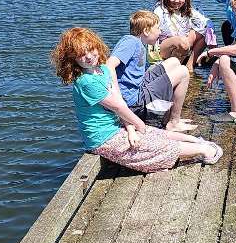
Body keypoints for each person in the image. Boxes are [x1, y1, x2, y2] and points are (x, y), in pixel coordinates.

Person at [50, 27, 223, 172]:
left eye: (90, 49)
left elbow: (119, 102)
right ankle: (203, 150)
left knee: (155, 133)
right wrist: (139, 127)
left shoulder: (103, 69)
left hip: (117, 126)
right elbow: (118, 107)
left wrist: (132, 128)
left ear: (97, 46)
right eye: (81, 54)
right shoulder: (85, 81)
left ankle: (197, 142)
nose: (89, 56)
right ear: (72, 59)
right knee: (150, 146)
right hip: (102, 138)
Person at [107, 9, 197, 132]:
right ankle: (173, 122)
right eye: (158, 28)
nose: (161, 31)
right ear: (146, 31)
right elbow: (109, 65)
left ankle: (168, 117)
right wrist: (118, 98)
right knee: (183, 72)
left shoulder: (137, 43)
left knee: (174, 62)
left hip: (138, 88)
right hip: (133, 102)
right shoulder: (130, 42)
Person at [153, 0, 209, 69]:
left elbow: (205, 21)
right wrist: (186, 40)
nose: (177, 1)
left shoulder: (188, 9)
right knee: (182, 42)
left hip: (182, 43)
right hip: (163, 47)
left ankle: (189, 66)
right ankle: (173, 67)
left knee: (207, 32)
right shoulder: (160, 10)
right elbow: (168, 32)